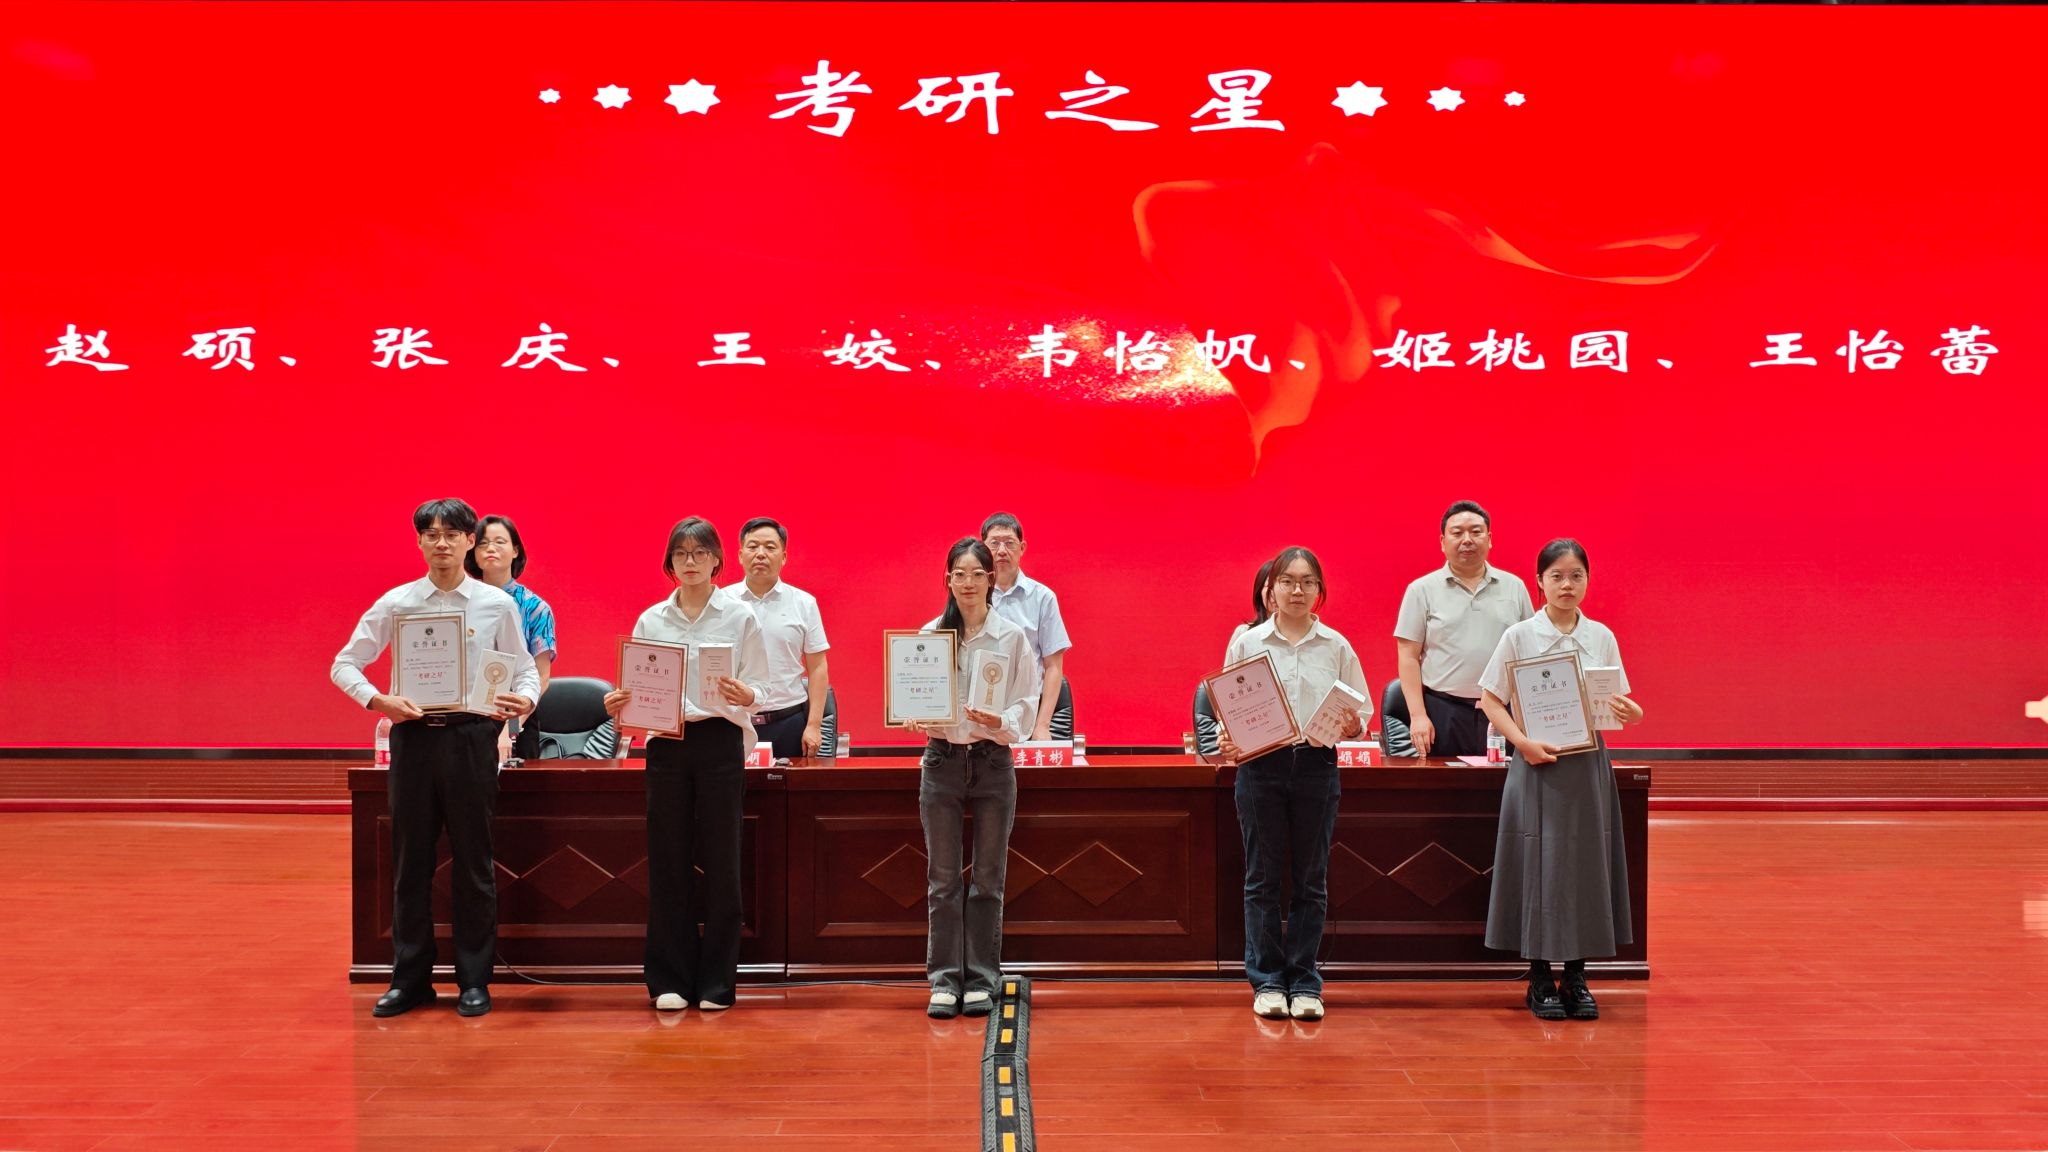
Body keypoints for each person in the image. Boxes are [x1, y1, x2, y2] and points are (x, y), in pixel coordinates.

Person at [330, 498, 538, 1018]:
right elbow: (344, 663)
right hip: (415, 739)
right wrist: (378, 701)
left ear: (470, 542)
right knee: (410, 863)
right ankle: (410, 980)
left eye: (452, 534)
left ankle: (474, 981)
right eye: (431, 534)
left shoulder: (496, 604)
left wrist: (526, 698)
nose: (441, 543)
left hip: (472, 738)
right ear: (419, 542)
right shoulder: (397, 602)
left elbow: (525, 669)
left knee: (474, 863)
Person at [603, 518, 768, 1014]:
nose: (690, 562)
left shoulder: (739, 616)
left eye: (699, 553)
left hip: (719, 741)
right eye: (681, 554)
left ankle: (718, 981)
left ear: (717, 559)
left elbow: (764, 686)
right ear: (670, 562)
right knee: (668, 859)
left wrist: (747, 694)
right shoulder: (652, 619)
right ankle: (669, 979)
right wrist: (620, 705)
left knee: (723, 860)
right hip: (667, 745)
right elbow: (636, 689)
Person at [1477, 538, 1643, 1021]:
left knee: (1586, 863)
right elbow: (1490, 700)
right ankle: (1538, 978)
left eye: (1576, 576)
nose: (1567, 585)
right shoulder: (1520, 636)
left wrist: (1632, 713)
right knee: (1538, 864)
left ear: (1587, 580)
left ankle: (1576, 975)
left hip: (1587, 765)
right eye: (1557, 576)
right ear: (1540, 582)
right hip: (1536, 764)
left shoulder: (1601, 636)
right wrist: (1522, 744)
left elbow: (1619, 703)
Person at [1218, 547, 1369, 1021]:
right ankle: (1266, 980)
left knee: (1310, 879)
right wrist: (1227, 736)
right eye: (1287, 581)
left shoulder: (1337, 646)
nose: (1297, 590)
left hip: (1316, 765)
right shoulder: (1248, 643)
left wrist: (1353, 726)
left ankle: (1304, 981)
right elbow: (1228, 709)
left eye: (1307, 582)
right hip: (1260, 767)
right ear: (1271, 590)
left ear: (1319, 590)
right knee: (1261, 878)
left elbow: (1361, 715)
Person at [907, 538, 1037, 1019]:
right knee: (942, 880)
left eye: (976, 574)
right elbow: (913, 697)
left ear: (991, 579)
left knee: (987, 879)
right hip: (941, 761)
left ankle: (982, 978)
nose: (967, 583)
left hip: (992, 763)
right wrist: (913, 715)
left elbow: (1026, 703)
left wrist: (1000, 720)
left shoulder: (1012, 638)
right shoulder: (929, 636)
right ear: (948, 580)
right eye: (958, 574)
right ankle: (944, 980)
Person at [1393, 500, 1535, 758]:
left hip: (1504, 712)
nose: (1467, 540)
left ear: (1489, 539)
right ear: (1442, 542)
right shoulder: (1421, 590)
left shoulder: (1514, 587)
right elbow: (1408, 656)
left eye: (1476, 532)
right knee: (1445, 783)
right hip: (1443, 712)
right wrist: (1418, 715)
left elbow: (1529, 654)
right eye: (1457, 533)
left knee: (1503, 782)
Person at [729, 518, 831, 759]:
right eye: (753, 546)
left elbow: (818, 667)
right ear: (740, 555)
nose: (760, 554)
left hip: (788, 722)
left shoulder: (804, 603)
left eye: (770, 547)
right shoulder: (721, 603)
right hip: (734, 722)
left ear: (783, 557)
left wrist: (814, 725)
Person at [465, 514, 557, 761]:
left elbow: (541, 677)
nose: (490, 548)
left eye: (499, 542)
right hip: (467, 718)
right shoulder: (461, 602)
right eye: (483, 543)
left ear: (515, 550)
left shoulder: (535, 607)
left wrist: (510, 729)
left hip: (516, 717)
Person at [980, 512, 1073, 741]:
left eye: (1009, 543)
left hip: (1028, 712)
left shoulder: (1042, 598)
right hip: (982, 712)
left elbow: (1053, 666)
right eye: (994, 543)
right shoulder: (973, 595)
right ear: (983, 548)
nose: (1002, 550)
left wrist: (1042, 726)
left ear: (1022, 548)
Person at [1197, 560, 1275, 759]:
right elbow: (1228, 691)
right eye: (1269, 586)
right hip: (1256, 734)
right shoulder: (1245, 634)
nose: (1276, 593)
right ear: (1259, 592)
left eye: (1282, 585)